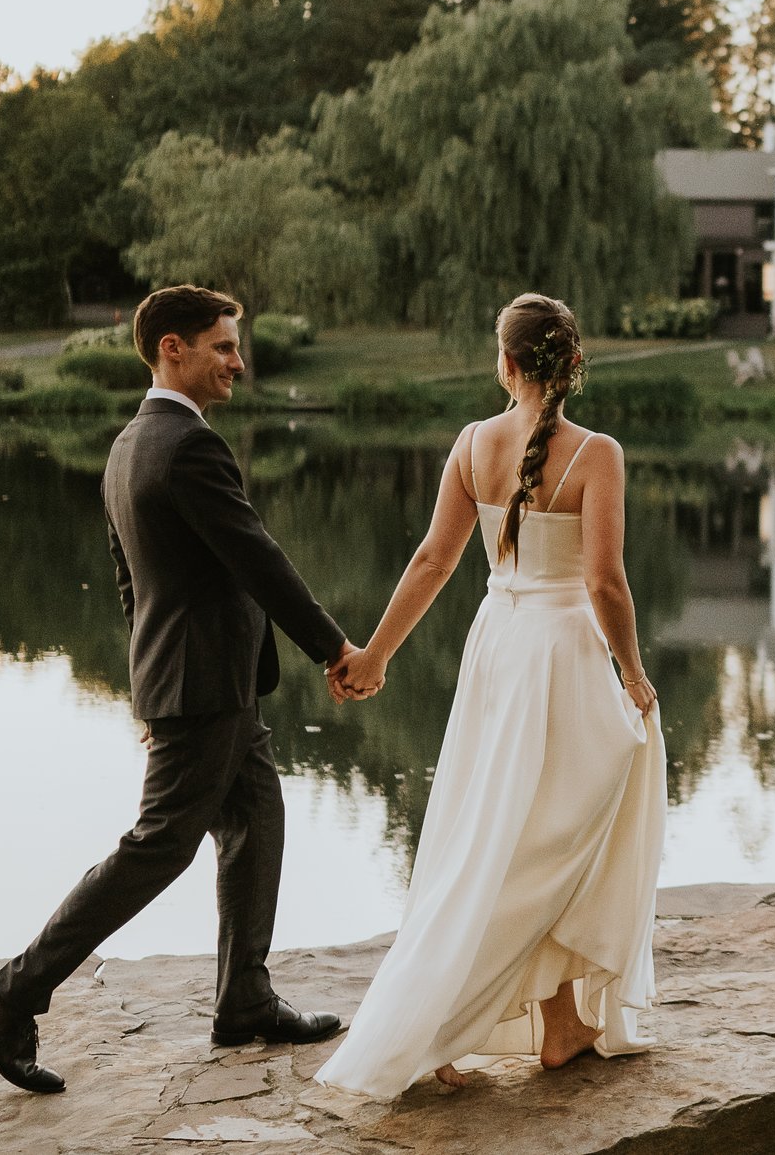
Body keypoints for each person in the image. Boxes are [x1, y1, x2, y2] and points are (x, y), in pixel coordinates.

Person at [0, 286, 356, 1094]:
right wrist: (336, 647)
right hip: (202, 684)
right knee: (159, 846)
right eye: (223, 346)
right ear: (173, 347)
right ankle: (10, 996)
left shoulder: (128, 444)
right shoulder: (187, 446)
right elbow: (257, 557)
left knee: (256, 817)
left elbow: (128, 585)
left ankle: (245, 998)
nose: (237, 361)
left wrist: (146, 685)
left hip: (203, 681)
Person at [317, 293, 665, 1098]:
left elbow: (433, 560)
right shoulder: (598, 453)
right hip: (563, 653)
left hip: (499, 646)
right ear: (573, 364)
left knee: (501, 831)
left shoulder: (473, 443)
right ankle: (464, 1019)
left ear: (505, 365)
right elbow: (605, 581)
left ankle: (558, 1021)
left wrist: (375, 654)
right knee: (558, 833)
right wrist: (634, 672)